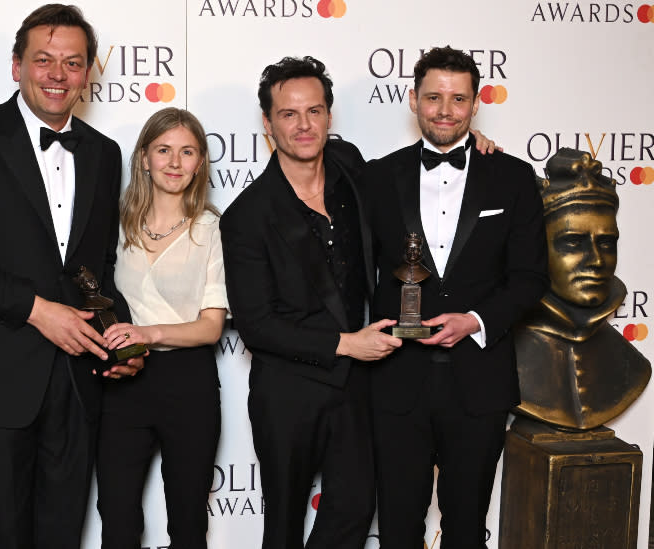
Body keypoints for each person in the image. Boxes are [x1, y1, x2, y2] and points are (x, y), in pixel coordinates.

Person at [0, 5, 141, 548]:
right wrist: (38, 310)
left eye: (72, 62)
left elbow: (100, 268)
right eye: (44, 60)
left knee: (63, 530)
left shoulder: (105, 153)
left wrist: (120, 337)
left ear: (88, 72)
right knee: (7, 530)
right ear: (17, 65)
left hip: (77, 375)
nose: (57, 75)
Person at [361, 46, 548, 548]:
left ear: (476, 103)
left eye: (458, 99)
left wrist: (475, 320)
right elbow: (311, 157)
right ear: (412, 99)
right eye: (433, 97)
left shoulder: (512, 178)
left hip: (478, 381)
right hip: (397, 379)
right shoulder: (376, 176)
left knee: (466, 526)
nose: (445, 110)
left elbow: (531, 277)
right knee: (398, 525)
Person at [220, 56, 402, 549]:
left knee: (356, 506)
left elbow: (411, 179)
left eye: (315, 111)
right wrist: (346, 343)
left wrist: (477, 150)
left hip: (356, 387)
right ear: (267, 122)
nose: (304, 125)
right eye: (289, 114)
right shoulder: (247, 217)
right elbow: (256, 325)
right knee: (283, 524)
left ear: (328, 116)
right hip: (288, 390)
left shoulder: (352, 170)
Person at [95, 107, 227, 549]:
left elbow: (211, 328)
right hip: (122, 385)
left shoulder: (212, 230)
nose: (174, 162)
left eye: (187, 151)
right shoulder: (111, 224)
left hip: (188, 385)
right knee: (116, 518)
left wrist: (148, 334)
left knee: (188, 522)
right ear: (144, 158)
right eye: (164, 150)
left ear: (200, 161)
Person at [514, 147, 650, 430]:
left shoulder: (633, 368)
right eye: (573, 243)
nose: (597, 260)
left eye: (606, 243)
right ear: (537, 250)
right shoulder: (499, 363)